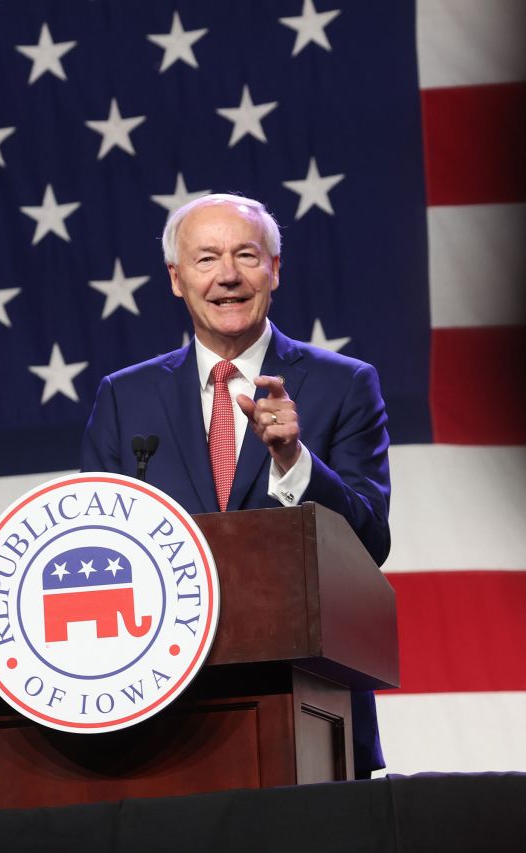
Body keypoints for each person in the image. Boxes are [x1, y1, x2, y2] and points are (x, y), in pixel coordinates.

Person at [81, 193, 390, 777]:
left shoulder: (344, 385)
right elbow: (99, 547)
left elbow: (370, 544)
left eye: (247, 255)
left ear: (276, 269)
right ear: (177, 279)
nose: (227, 275)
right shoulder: (125, 398)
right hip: (161, 718)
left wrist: (295, 461)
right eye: (206, 259)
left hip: (309, 709)